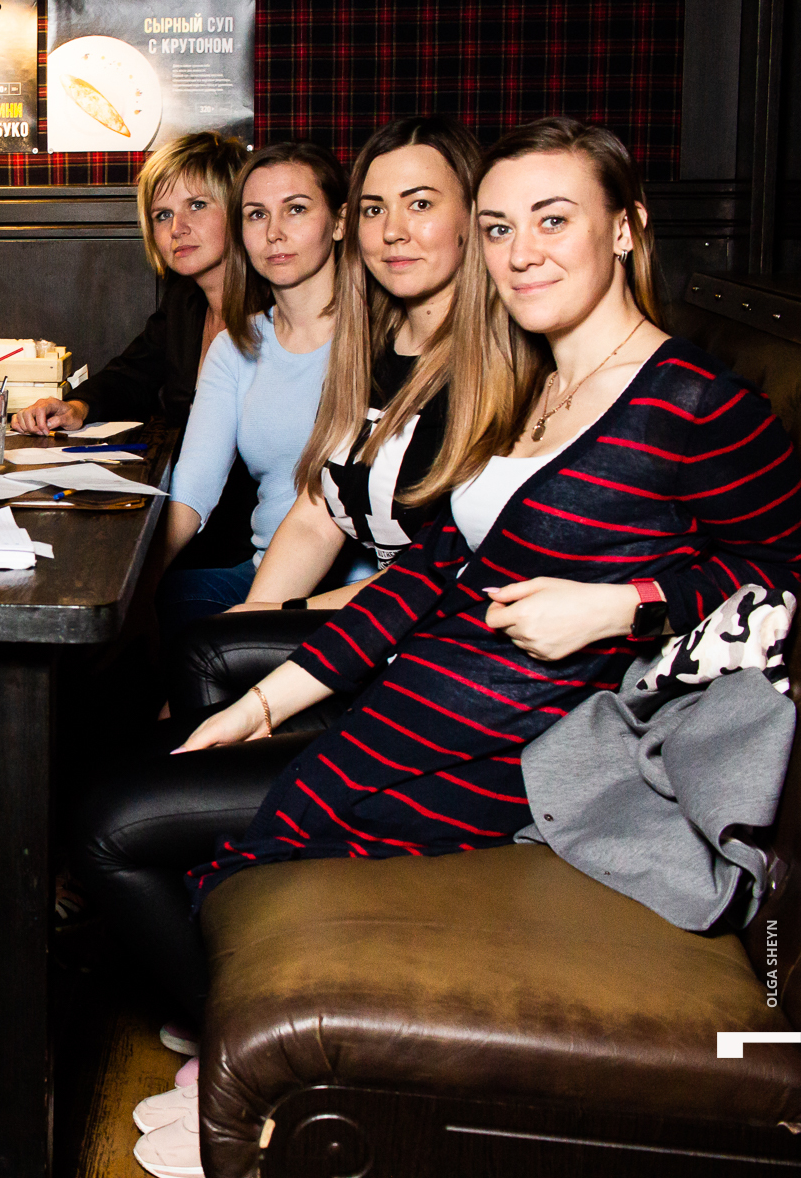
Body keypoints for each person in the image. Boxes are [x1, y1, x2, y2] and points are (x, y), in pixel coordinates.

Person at [92, 119, 801, 1178]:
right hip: (422, 701)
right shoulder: (528, 380)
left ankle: (268, 1090)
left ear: (625, 228)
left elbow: (784, 569)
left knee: (124, 828)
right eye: (503, 227)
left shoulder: (694, 402)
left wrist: (626, 607)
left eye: (553, 221)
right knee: (137, 802)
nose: (521, 253)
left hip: (516, 744)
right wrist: (266, 700)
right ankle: (260, 1071)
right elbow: (434, 568)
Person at [227, 116, 533, 613]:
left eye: (420, 204)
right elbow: (317, 515)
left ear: (473, 215)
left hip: (448, 626)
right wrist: (254, 617)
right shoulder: (365, 350)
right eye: (375, 209)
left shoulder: (510, 363)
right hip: (376, 615)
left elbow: (446, 571)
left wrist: (284, 622)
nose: (392, 231)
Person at [150, 140, 349, 623]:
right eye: (257, 215)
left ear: (340, 222)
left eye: (296, 210)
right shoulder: (237, 344)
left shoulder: (378, 339)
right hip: (263, 568)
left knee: (210, 641)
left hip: (354, 582)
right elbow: (193, 489)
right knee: (160, 605)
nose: (274, 233)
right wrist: (136, 584)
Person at [14, 131, 247, 436]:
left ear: (239, 209)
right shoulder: (185, 300)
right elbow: (132, 375)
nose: (177, 228)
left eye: (197, 205)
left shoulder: (278, 311)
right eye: (163, 215)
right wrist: (77, 406)